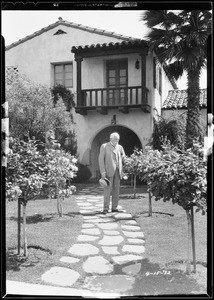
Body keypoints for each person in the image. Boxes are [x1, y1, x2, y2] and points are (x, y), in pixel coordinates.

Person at [98, 132, 126, 214]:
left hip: (118, 171)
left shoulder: (119, 147)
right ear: (110, 139)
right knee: (107, 190)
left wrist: (123, 156)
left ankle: (114, 207)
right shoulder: (104, 146)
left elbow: (123, 155)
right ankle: (105, 208)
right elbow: (101, 160)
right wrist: (103, 171)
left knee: (116, 190)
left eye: (117, 140)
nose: (116, 141)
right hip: (108, 171)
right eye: (115, 140)